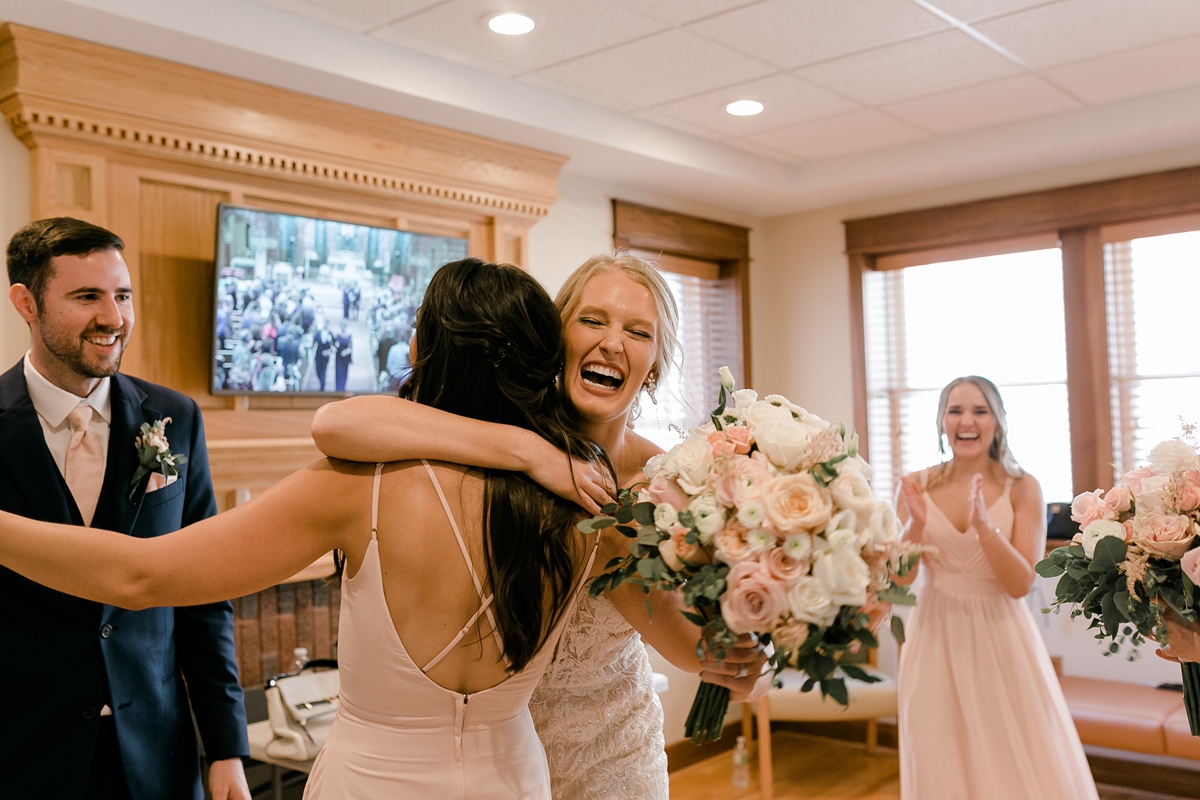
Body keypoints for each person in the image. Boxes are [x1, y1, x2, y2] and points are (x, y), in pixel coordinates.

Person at [0, 258, 630, 797]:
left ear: (426, 351)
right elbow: (694, 642)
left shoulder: (359, 486)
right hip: (514, 777)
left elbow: (139, 575)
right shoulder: (592, 507)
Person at [312, 252, 769, 799]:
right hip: (493, 764)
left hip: (614, 761)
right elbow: (338, 423)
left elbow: (691, 637)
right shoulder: (500, 439)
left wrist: (751, 649)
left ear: (654, 366)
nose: (612, 343)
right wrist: (529, 451)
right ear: (557, 340)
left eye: (638, 331)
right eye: (593, 320)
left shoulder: (668, 485)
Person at [0, 218, 250, 800]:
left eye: (122, 294)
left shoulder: (175, 417)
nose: (113, 317)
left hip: (156, 755)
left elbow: (204, 594)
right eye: (87, 296)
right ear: (26, 303)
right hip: (22, 758)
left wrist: (227, 748)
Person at [895, 376, 1097, 800]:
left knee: (1011, 756)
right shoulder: (916, 485)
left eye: (979, 410)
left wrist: (986, 530)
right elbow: (900, 581)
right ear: (941, 422)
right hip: (933, 632)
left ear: (998, 422)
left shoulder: (1023, 487)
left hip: (1000, 634)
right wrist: (913, 524)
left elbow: (1020, 583)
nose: (966, 421)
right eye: (955, 411)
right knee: (937, 752)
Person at [313, 320, 335, 392]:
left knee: (323, 371)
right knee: (317, 370)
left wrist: (328, 352)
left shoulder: (330, 334)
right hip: (318, 355)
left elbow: (334, 347)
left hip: (326, 356)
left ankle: (322, 387)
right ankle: (321, 382)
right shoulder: (318, 333)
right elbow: (314, 343)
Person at [334, 320, 353, 392]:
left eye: (344, 326)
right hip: (338, 358)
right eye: (342, 326)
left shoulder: (349, 336)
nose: (343, 328)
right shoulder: (337, 335)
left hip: (345, 358)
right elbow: (335, 346)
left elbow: (351, 347)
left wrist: (346, 352)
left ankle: (343, 387)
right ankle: (338, 388)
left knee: (344, 373)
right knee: (338, 373)